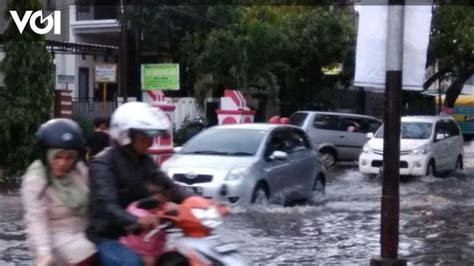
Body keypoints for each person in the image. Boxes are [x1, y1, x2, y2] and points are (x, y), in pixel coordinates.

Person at [86, 102, 192, 266]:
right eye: (144, 136)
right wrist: (135, 220)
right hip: (109, 234)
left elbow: (169, 187)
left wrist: (199, 202)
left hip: (142, 234)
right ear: (126, 135)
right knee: (131, 263)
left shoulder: (144, 161)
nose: (149, 142)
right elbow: (107, 205)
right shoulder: (103, 164)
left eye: (151, 136)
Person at [21, 118, 97, 266]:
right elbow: (36, 219)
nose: (62, 163)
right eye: (57, 156)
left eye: (69, 157)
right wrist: (43, 252)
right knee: (85, 253)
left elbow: (95, 197)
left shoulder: (79, 171)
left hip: (81, 230)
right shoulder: (36, 180)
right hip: (52, 236)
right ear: (46, 155)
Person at [119, 187, 167, 266]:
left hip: (155, 250)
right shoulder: (137, 211)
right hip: (134, 249)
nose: (161, 205)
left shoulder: (161, 213)